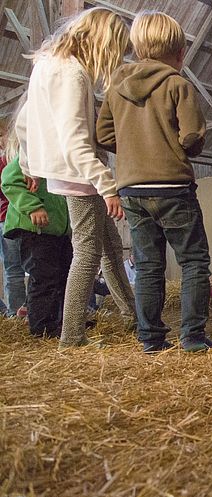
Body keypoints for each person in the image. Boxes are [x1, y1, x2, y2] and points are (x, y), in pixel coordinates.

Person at [16, 7, 136, 348]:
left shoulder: (47, 64)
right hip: (80, 173)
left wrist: (27, 164)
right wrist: (108, 185)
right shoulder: (73, 73)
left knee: (110, 246)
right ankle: (71, 337)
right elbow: (75, 140)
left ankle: (131, 315)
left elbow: (24, 120)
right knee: (86, 251)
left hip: (71, 171)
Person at [96, 10, 211, 353]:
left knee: (147, 266)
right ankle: (191, 337)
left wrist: (133, 149)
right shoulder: (178, 84)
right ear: (179, 53)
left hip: (131, 190)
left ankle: (150, 339)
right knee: (193, 261)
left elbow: (102, 133)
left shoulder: (117, 87)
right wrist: (174, 145)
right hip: (173, 186)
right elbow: (192, 137)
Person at [1, 126, 71, 338]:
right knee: (43, 278)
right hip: (36, 229)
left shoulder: (55, 160)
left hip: (56, 230)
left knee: (62, 277)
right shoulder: (32, 152)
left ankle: (61, 322)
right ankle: (42, 328)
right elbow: (9, 180)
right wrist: (33, 207)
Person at [0, 121, 27, 316]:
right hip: (9, 216)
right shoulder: (11, 158)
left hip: (16, 215)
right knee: (15, 269)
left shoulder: (12, 156)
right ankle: (16, 310)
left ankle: (20, 310)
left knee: (16, 269)